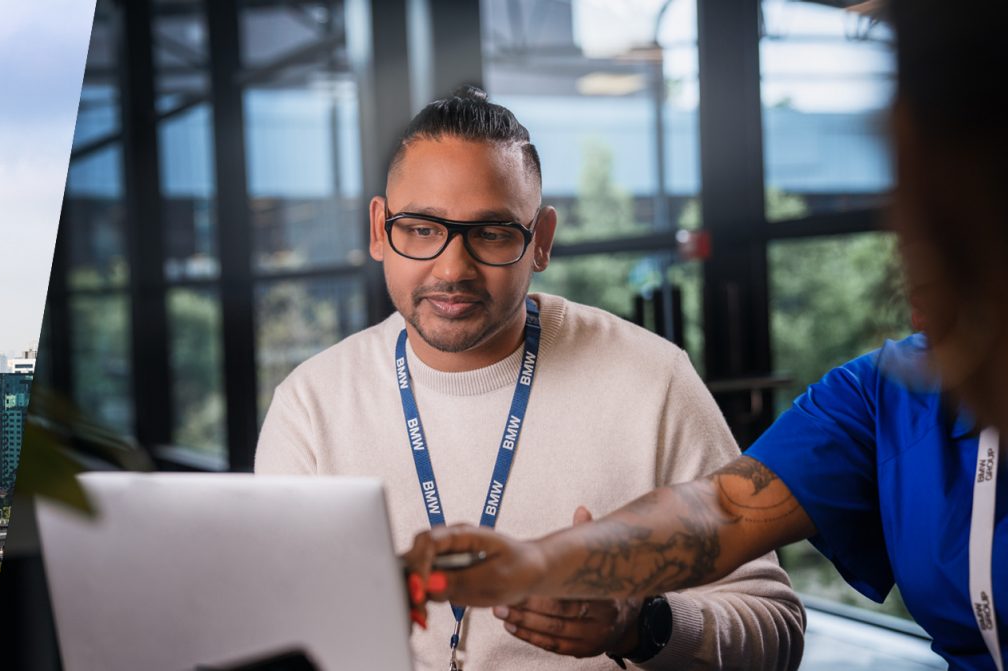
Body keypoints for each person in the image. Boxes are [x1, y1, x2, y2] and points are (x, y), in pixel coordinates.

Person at [402, 3, 1008, 670]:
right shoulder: (888, 392)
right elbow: (720, 508)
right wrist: (537, 561)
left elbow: (768, 612)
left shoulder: (648, 372)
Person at [255, 86, 801, 670]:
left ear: (540, 240)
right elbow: (265, 621)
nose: (452, 268)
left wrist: (641, 624)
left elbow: (776, 628)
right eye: (420, 228)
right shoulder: (310, 404)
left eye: (492, 233)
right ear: (378, 227)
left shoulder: (651, 379)